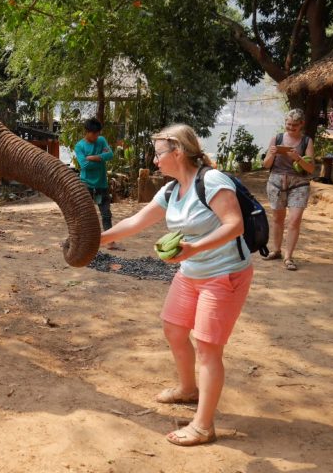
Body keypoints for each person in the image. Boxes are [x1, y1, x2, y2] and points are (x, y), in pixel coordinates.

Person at [99, 124, 253, 446]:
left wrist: (194, 248)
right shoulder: (171, 190)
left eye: (158, 154)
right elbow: (137, 222)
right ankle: (187, 389)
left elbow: (235, 224)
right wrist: (95, 239)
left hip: (224, 274)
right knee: (173, 328)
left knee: (208, 349)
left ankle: (203, 425)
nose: (155, 161)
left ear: (178, 152)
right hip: (191, 270)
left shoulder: (211, 181)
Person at [261, 108, 315, 271]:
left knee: (294, 220)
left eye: (294, 126)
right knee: (278, 218)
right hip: (276, 181)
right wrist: (271, 154)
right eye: (288, 124)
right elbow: (266, 165)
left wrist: (297, 158)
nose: (291, 128)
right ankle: (276, 250)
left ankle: (288, 257)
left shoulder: (307, 141)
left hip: (299, 184)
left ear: (301, 124)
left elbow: (311, 169)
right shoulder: (276, 138)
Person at [74, 118, 117, 247]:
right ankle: (83, 241)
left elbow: (110, 155)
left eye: (98, 133)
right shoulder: (79, 146)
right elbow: (84, 165)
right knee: (84, 214)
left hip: (102, 184)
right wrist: (101, 160)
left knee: (106, 214)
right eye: (94, 133)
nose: (97, 136)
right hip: (85, 184)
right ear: (87, 132)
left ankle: (109, 240)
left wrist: (94, 157)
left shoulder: (101, 140)